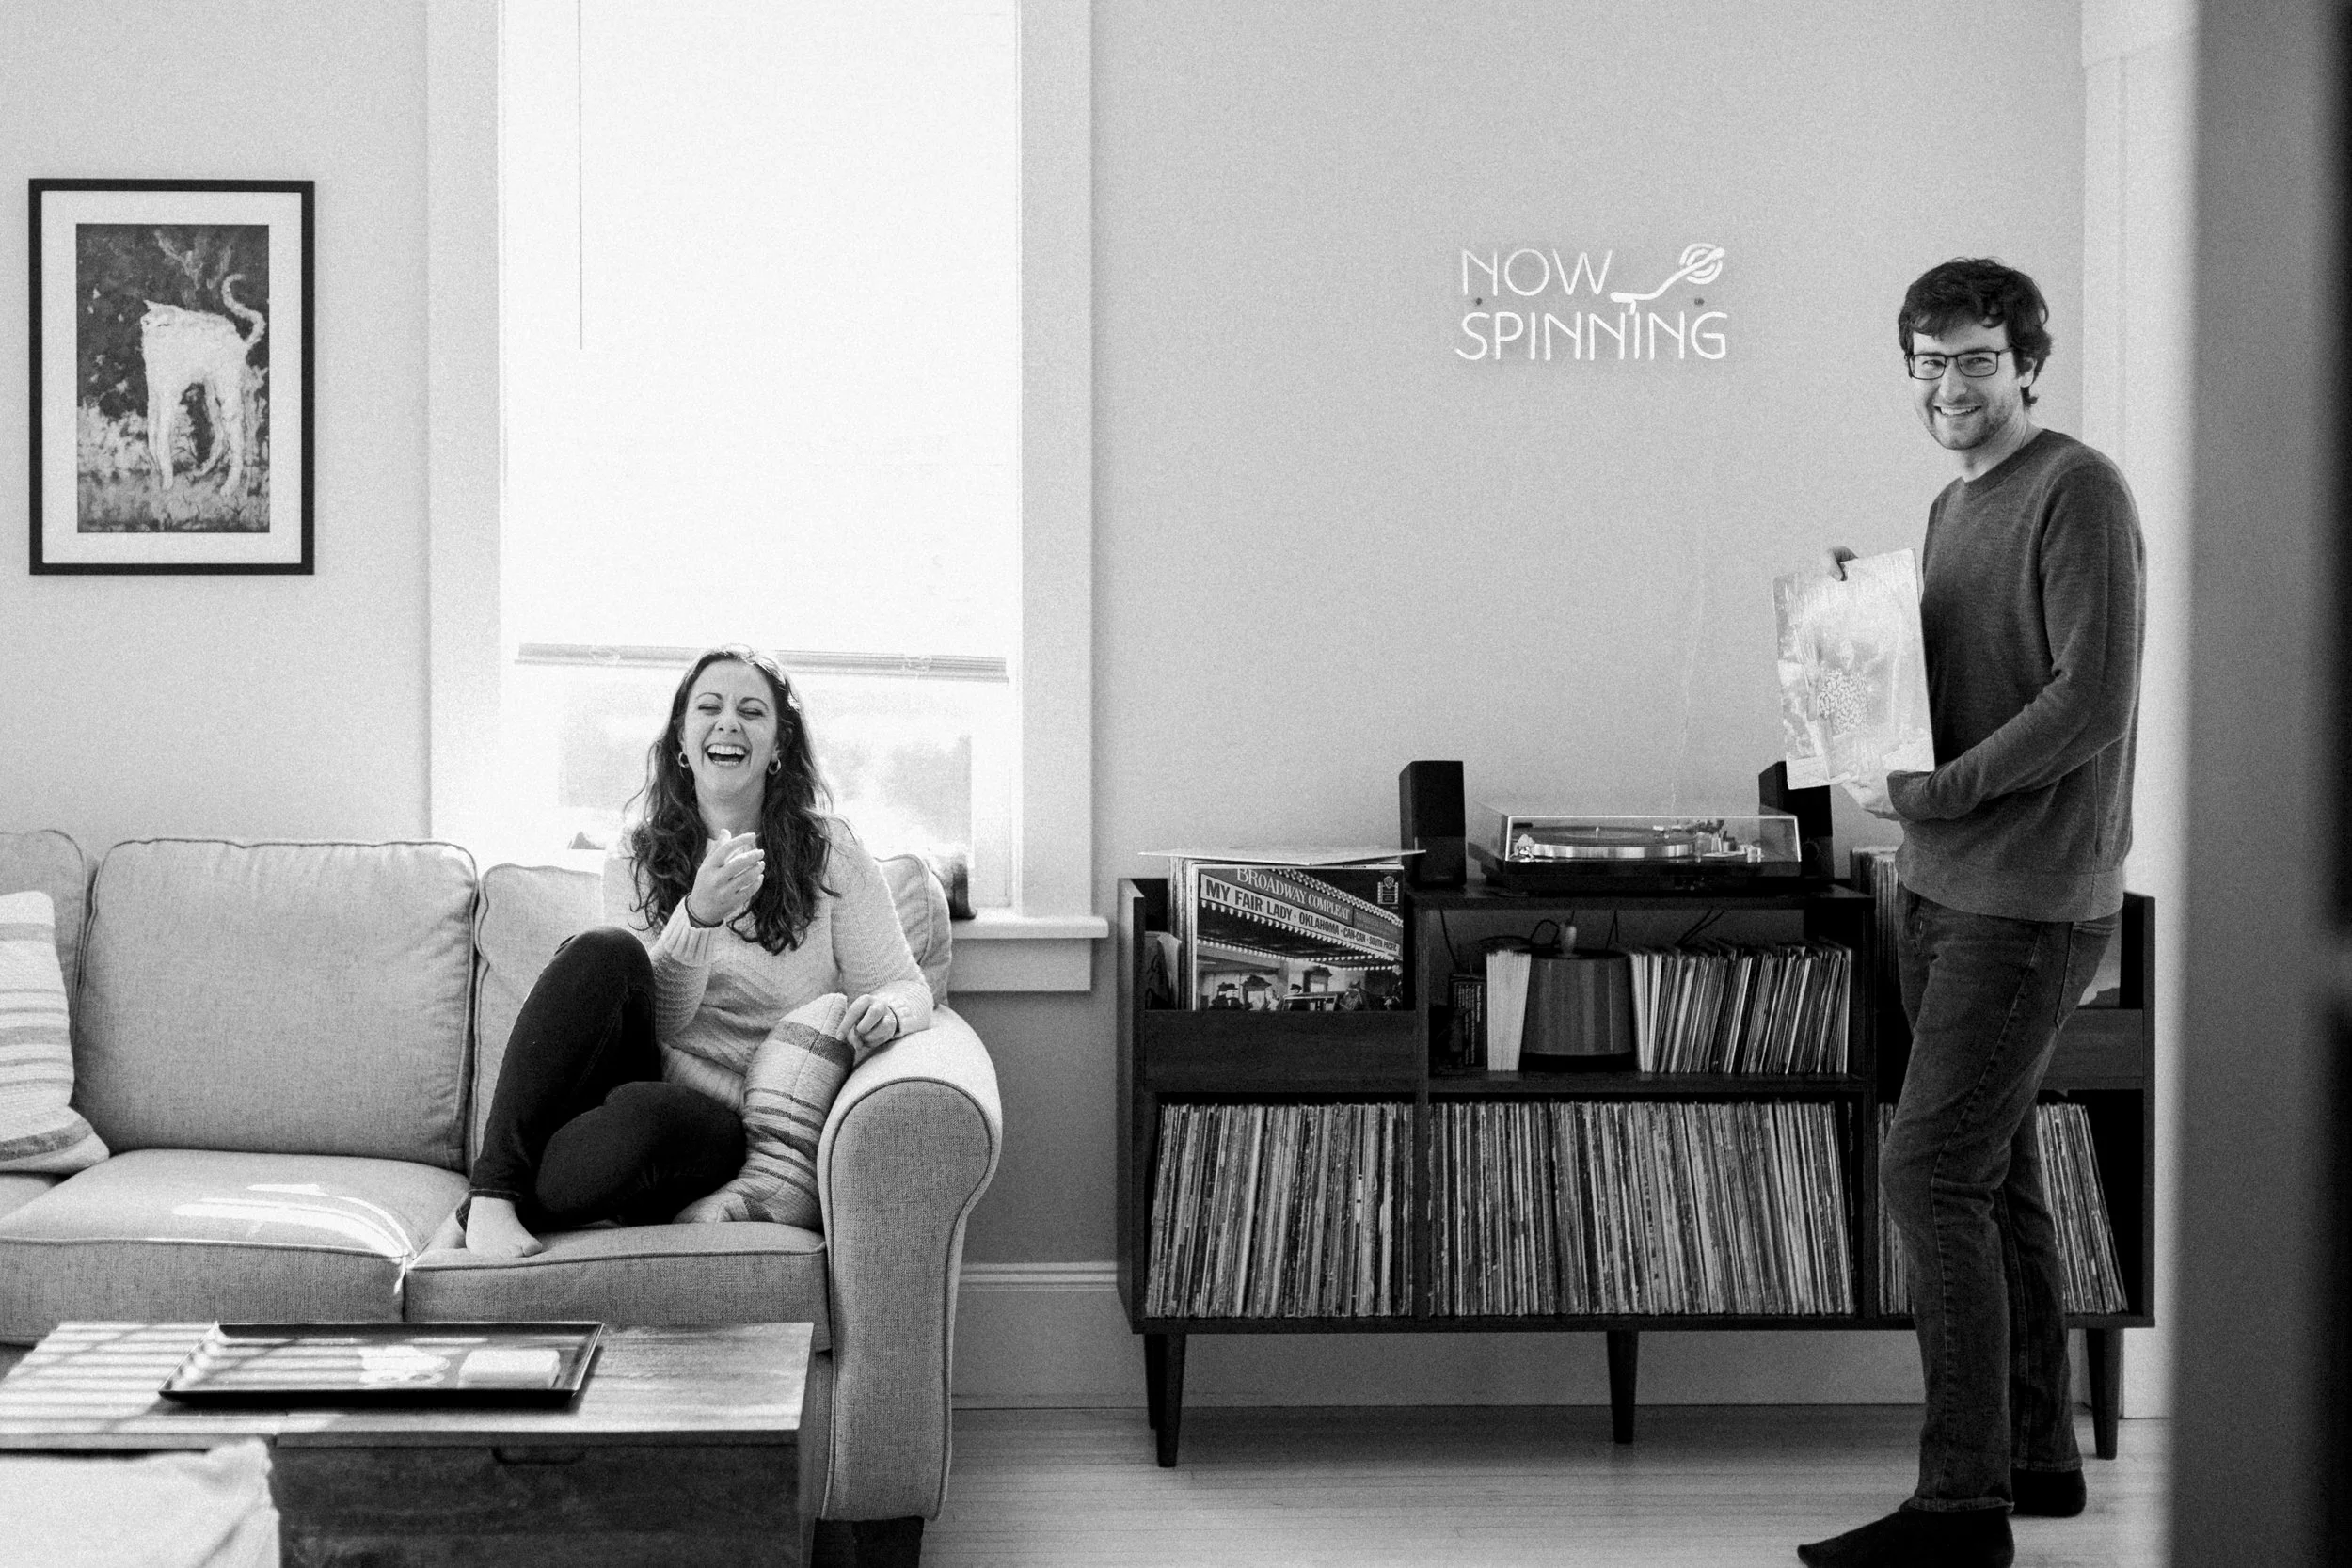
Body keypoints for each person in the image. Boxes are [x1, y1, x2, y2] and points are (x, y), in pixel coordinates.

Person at [1799, 259, 2144, 1568]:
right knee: (1992, 1174)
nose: (1949, 386)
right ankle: (2039, 1459)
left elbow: (2088, 695)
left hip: (2028, 894)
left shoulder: (2078, 488)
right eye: (1928, 364)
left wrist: (1941, 791)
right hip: (1940, 885)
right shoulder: (1953, 508)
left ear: (2029, 366)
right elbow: (1945, 676)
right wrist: (1860, 609)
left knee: (1930, 1169)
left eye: (1976, 361)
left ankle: (1959, 1509)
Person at [464, 645, 932, 1259]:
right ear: (683, 741)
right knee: (606, 952)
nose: (728, 722)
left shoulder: (830, 854)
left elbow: (907, 985)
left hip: (710, 1125)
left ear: (779, 744)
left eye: (751, 711)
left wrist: (888, 1013)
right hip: (638, 1068)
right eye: (708, 707)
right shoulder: (635, 855)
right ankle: (493, 1195)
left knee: (644, 1115)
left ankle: (491, 1202)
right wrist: (699, 915)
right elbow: (657, 1017)